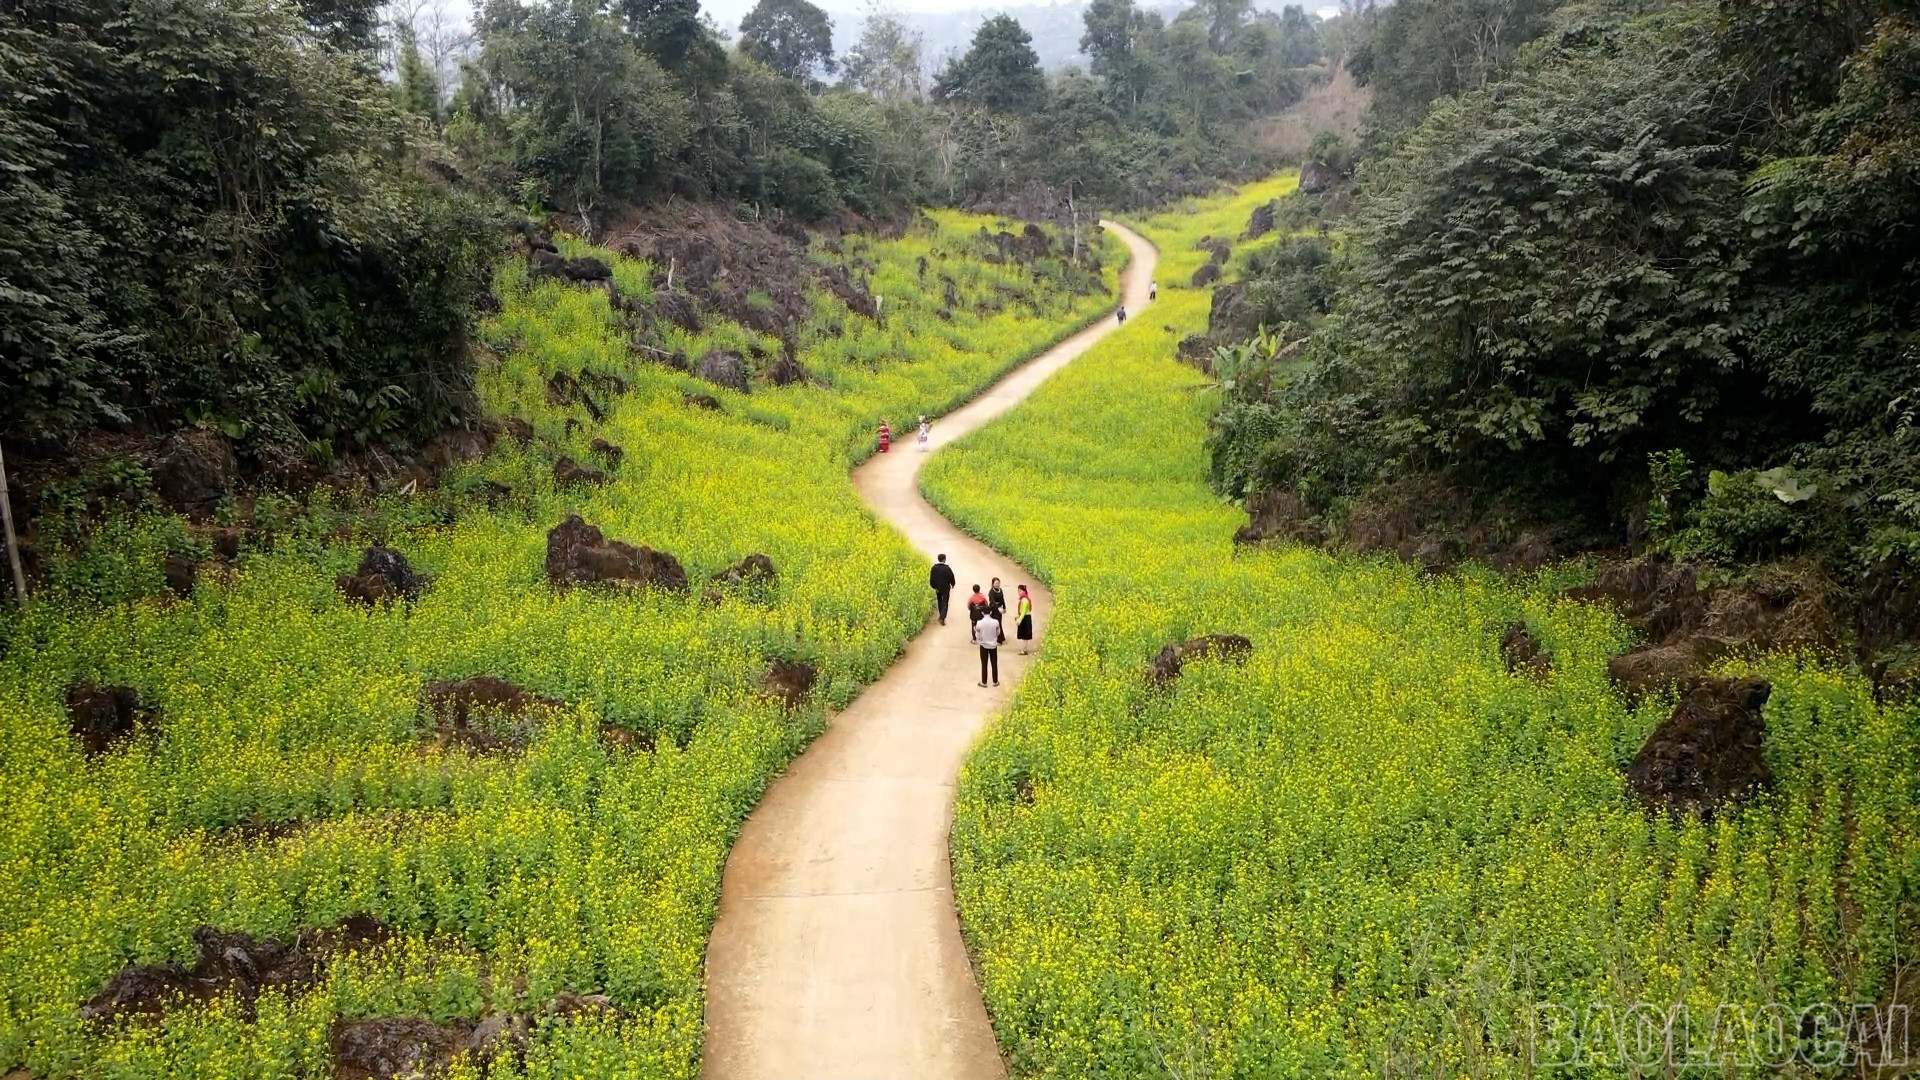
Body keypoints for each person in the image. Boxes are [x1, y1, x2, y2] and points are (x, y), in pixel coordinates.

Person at [973, 605, 1001, 687]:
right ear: (991, 612)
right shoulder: (996, 622)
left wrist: (976, 632)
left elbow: (978, 636)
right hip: (993, 645)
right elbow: (998, 633)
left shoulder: (979, 623)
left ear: (982, 613)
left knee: (984, 664)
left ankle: (984, 682)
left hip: (983, 645)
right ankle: (995, 681)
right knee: (994, 663)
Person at [929, 554, 956, 625]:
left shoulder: (934, 568)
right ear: (944, 559)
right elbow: (951, 577)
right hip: (946, 588)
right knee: (945, 602)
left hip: (937, 588)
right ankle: (942, 617)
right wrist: (953, 584)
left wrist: (934, 587)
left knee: (939, 601)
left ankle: (941, 615)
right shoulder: (947, 568)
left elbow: (932, 579)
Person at [1014, 585, 1034, 654]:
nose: (1019, 592)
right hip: (1024, 617)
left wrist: (1019, 620)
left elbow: (1024, 611)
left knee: (1025, 635)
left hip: (1025, 618)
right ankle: (1024, 649)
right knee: (1024, 635)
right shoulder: (1023, 599)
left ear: (1024, 591)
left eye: (1020, 591)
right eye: (1018, 591)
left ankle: (1024, 650)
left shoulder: (1024, 600)